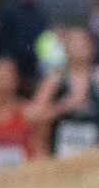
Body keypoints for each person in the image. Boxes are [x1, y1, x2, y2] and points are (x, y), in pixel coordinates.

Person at [29, 23, 99, 159]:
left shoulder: (97, 78)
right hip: (61, 158)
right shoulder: (55, 79)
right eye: (74, 42)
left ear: (91, 47)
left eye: (83, 42)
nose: (79, 47)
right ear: (66, 48)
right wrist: (63, 106)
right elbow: (32, 116)